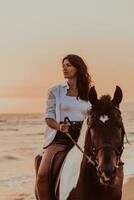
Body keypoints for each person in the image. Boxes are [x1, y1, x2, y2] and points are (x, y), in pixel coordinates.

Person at [36, 54, 92, 200]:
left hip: (82, 139)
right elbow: (49, 117)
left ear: (78, 68)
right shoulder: (55, 90)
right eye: (63, 65)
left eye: (69, 65)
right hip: (59, 138)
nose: (65, 68)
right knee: (42, 176)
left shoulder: (89, 92)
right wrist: (59, 127)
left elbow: (92, 116)